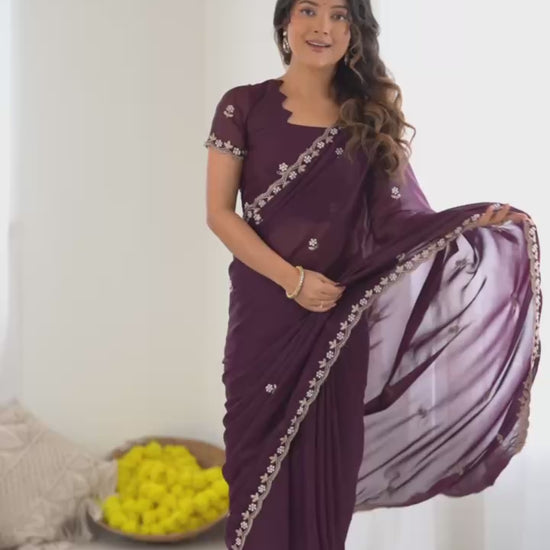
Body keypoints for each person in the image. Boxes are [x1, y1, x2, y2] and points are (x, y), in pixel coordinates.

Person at [204, 1, 541, 549]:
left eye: (340, 15)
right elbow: (220, 214)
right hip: (264, 319)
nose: (323, 27)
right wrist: (293, 280)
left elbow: (399, 223)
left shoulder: (366, 117)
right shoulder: (243, 105)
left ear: (354, 31)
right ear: (285, 21)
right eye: (309, 10)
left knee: (325, 479)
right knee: (253, 473)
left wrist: (471, 220)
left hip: (337, 322)